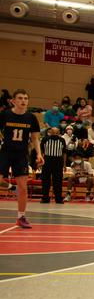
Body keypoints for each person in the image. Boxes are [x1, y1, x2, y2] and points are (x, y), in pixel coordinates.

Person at [1, 90, 43, 226]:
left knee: (23, 187)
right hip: (5, 152)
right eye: (20, 98)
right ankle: (10, 186)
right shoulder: (5, 114)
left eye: (25, 98)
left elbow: (35, 138)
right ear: (13, 101)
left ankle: (21, 217)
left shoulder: (31, 117)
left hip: (21, 154)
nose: (23, 101)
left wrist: (39, 153)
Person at [40, 127, 66, 204]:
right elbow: (41, 151)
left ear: (58, 133)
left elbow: (64, 153)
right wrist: (40, 160)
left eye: (56, 132)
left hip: (58, 161)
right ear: (50, 132)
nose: (55, 134)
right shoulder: (45, 139)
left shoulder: (62, 140)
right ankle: (45, 197)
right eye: (53, 132)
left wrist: (64, 164)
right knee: (45, 180)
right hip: (47, 160)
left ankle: (58, 198)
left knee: (58, 180)